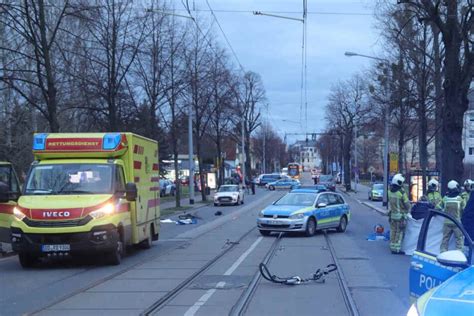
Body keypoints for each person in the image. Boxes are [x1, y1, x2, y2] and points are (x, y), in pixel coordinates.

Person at [388, 173, 411, 254]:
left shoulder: (390, 192)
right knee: (399, 232)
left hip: (392, 216)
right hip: (400, 216)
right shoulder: (401, 192)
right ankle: (397, 249)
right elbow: (407, 204)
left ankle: (392, 246)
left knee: (393, 231)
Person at [440, 180, 465, 252]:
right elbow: (464, 209)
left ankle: (443, 253)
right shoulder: (459, 199)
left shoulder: (445, 199)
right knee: (459, 239)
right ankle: (459, 254)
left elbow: (438, 207)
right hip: (457, 223)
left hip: (446, 223)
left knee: (445, 239)